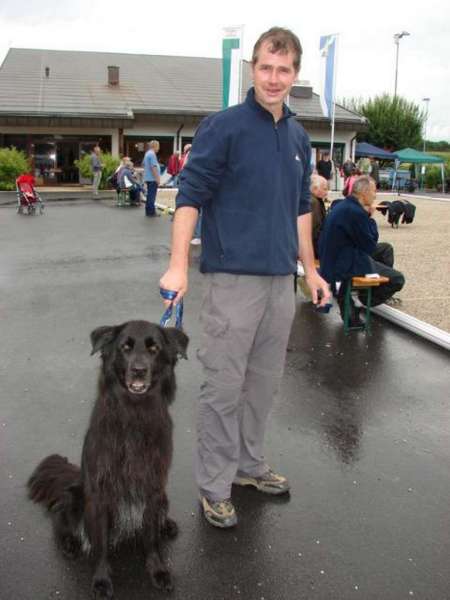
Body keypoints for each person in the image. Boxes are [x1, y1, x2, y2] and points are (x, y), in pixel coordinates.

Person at [160, 27, 330, 529]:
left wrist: (312, 270)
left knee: (262, 385)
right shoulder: (223, 127)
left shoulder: (299, 137)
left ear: (295, 74)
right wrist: (176, 263)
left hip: (281, 283)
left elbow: (302, 210)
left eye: (284, 70)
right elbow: (189, 196)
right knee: (223, 388)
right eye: (265, 68)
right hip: (233, 281)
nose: (274, 79)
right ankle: (215, 486)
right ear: (251, 70)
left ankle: (248, 467)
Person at [319, 175, 405, 326]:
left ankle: (369, 285)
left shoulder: (343, 205)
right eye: (373, 191)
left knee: (386, 249)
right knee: (397, 279)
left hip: (336, 256)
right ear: (364, 192)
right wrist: (370, 217)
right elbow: (369, 245)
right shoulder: (356, 213)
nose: (375, 195)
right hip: (345, 264)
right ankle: (362, 298)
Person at [310, 174, 329, 259]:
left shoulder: (316, 200)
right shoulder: (314, 203)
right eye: (324, 189)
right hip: (315, 249)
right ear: (314, 188)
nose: (327, 192)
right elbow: (315, 228)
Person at [143, 140, 161, 217]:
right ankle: (151, 212)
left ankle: (148, 211)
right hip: (152, 178)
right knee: (152, 196)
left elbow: (144, 164)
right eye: (158, 146)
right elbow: (154, 167)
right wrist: (157, 179)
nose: (158, 148)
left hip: (148, 177)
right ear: (155, 146)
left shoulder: (147, 153)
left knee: (149, 195)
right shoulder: (152, 154)